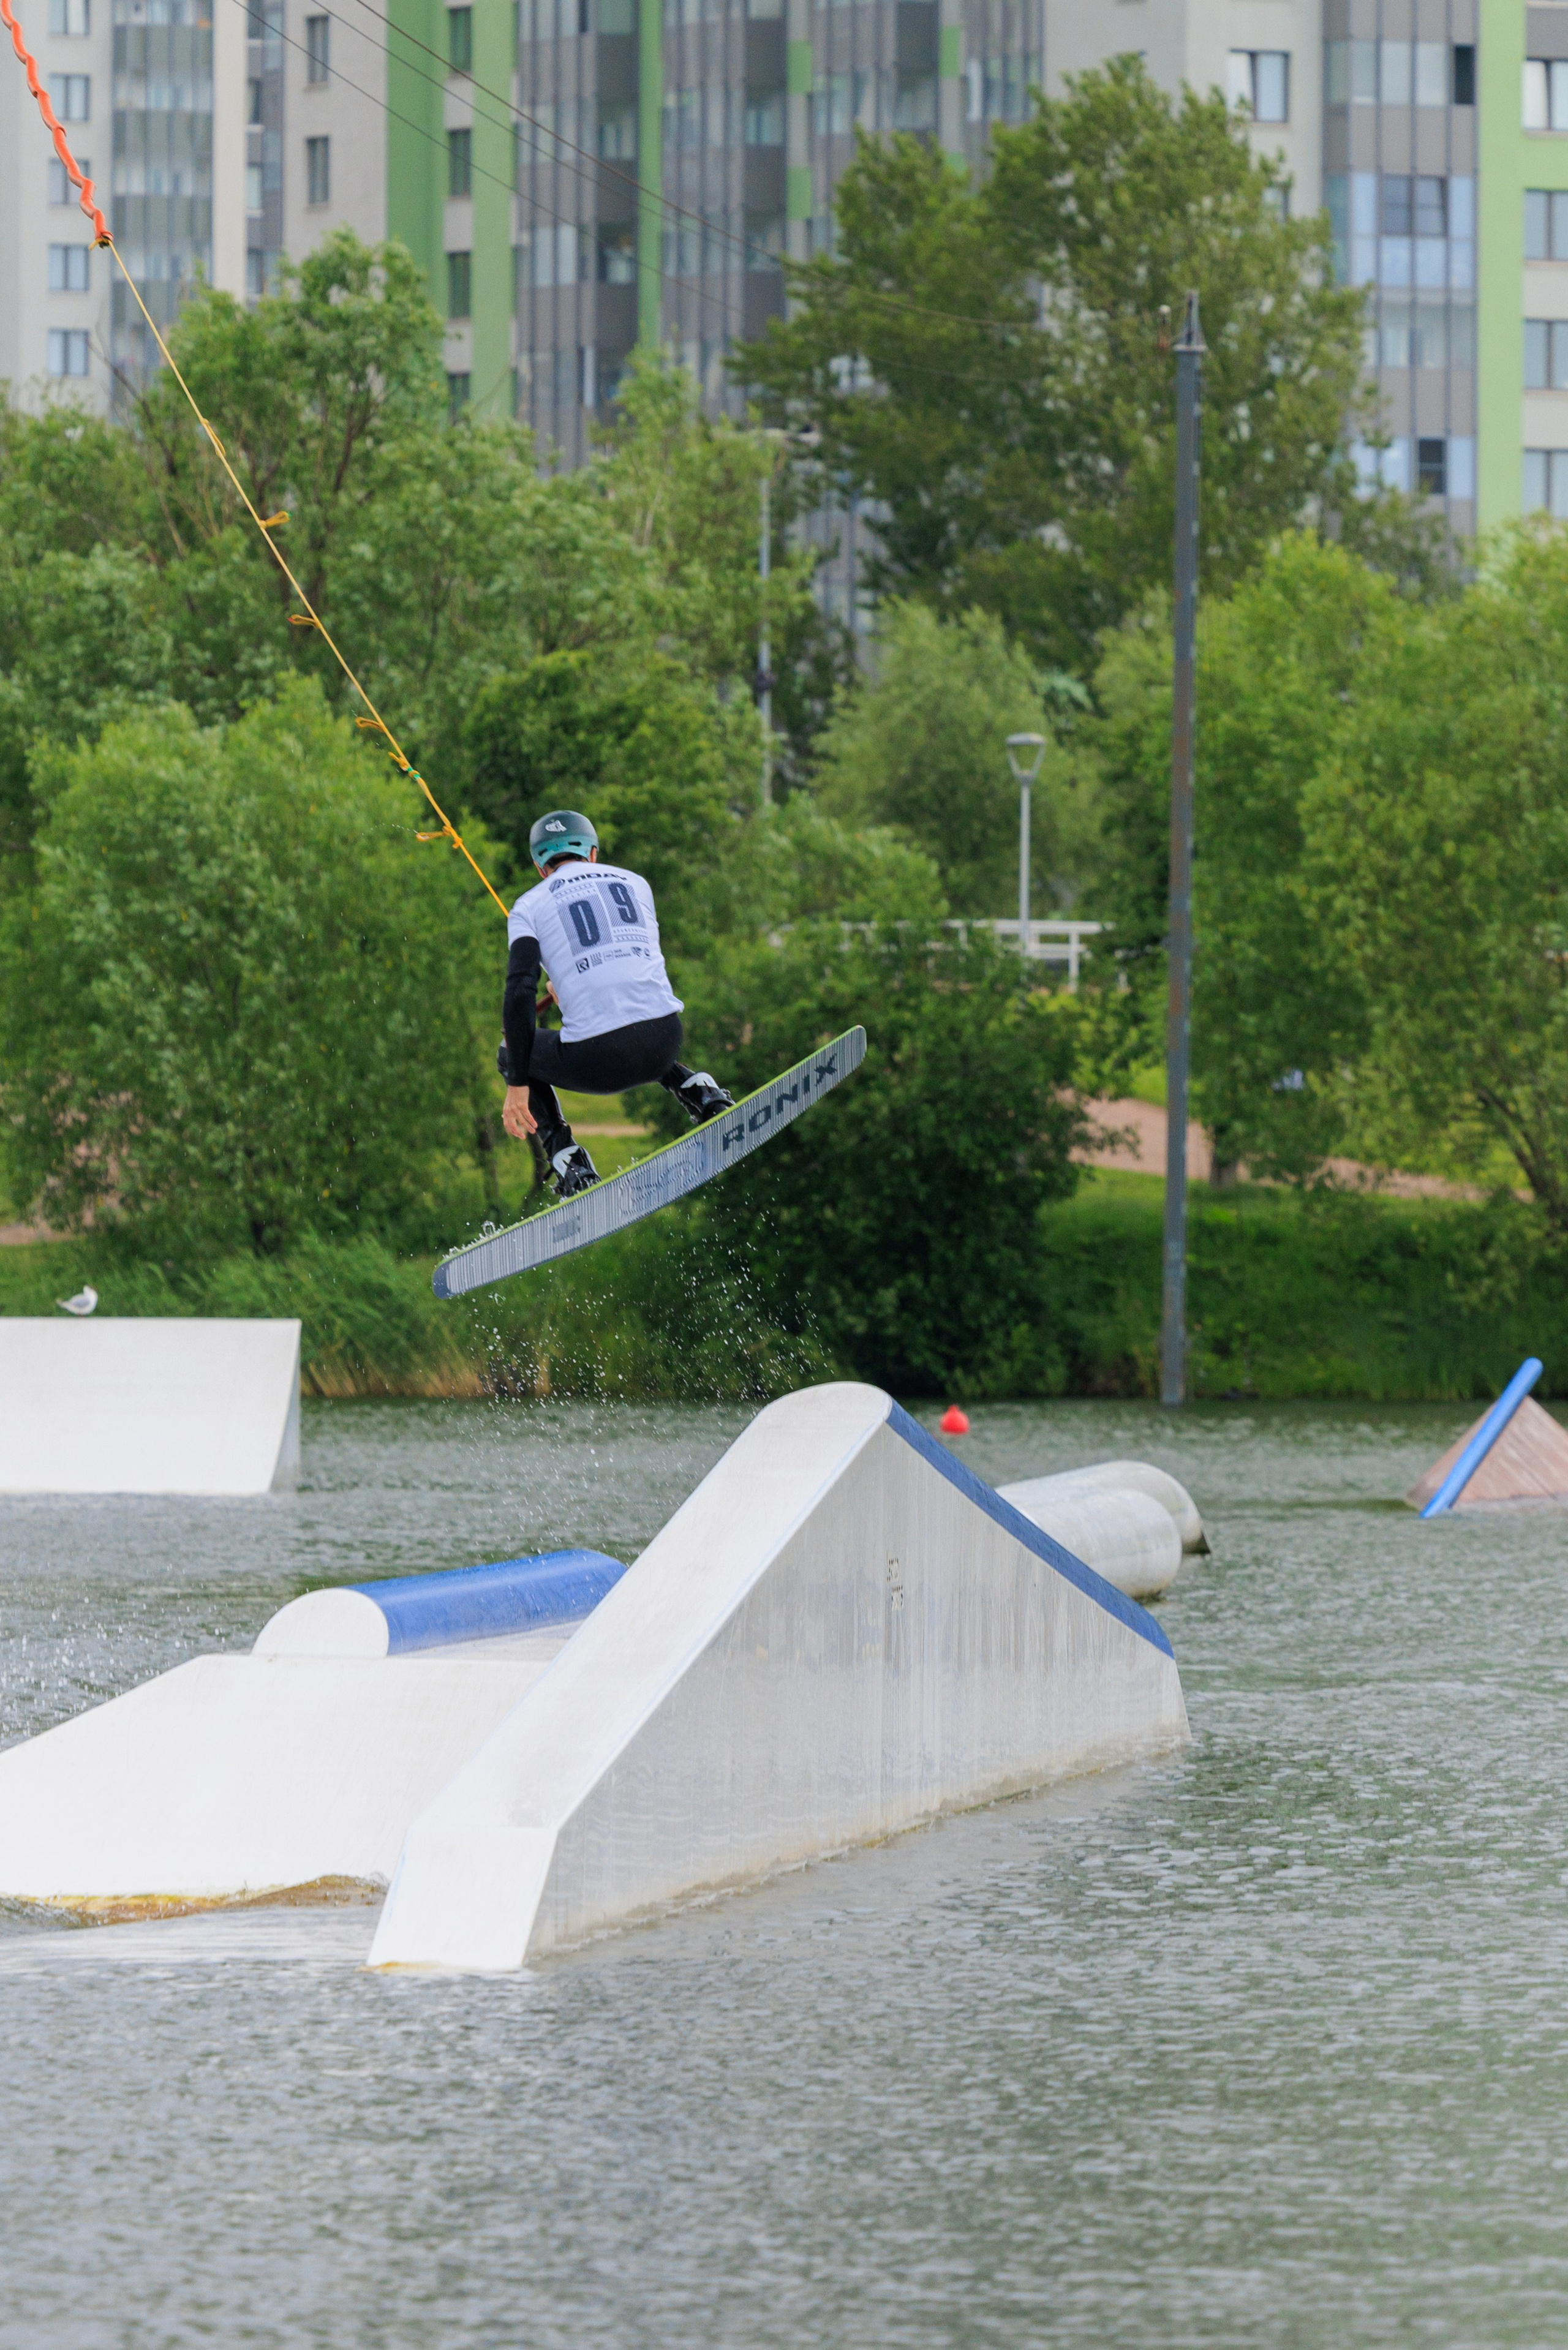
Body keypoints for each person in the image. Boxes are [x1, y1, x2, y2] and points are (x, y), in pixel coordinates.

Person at [497, 808, 734, 1198]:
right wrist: (571, 988)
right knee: (633, 1014)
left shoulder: (528, 906)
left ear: (542, 868)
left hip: (599, 1062)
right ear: (592, 854)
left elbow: (520, 992)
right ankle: (698, 1090)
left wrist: (518, 1082)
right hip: (664, 1041)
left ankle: (568, 1160)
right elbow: (622, 968)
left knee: (510, 1051)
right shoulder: (637, 883)